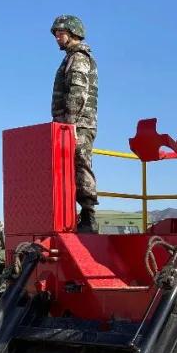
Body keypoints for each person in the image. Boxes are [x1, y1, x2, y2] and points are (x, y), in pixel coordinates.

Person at [51, 15, 99, 232]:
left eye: (60, 34)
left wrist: (68, 125)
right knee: (69, 167)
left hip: (77, 124)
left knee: (80, 163)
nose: (57, 38)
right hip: (71, 124)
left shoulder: (78, 57)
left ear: (72, 34)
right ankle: (73, 215)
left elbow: (77, 94)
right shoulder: (71, 57)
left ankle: (88, 215)